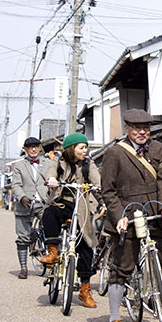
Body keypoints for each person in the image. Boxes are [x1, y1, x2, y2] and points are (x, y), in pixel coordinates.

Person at [101, 109, 162, 322]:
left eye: (146, 128)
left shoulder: (158, 149)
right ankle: (115, 318)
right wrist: (118, 217)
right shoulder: (114, 153)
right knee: (121, 268)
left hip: (153, 213)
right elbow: (108, 190)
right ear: (128, 128)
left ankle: (155, 298)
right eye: (136, 128)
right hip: (127, 215)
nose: (142, 132)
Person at [40, 132, 101, 308]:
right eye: (81, 147)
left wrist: (101, 185)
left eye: (86, 147)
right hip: (61, 203)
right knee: (49, 213)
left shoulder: (89, 163)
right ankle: (53, 251)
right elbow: (51, 171)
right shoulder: (58, 161)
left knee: (86, 245)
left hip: (81, 206)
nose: (85, 150)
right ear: (71, 148)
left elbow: (97, 178)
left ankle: (85, 289)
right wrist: (52, 180)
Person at [12, 137, 49, 279]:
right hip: (24, 204)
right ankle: (23, 268)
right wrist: (22, 197)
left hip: (43, 202)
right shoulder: (19, 166)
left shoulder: (49, 164)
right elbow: (16, 185)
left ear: (40, 148)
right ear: (25, 149)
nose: (33, 149)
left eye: (36, 146)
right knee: (22, 237)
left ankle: (50, 258)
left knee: (51, 228)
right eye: (30, 147)